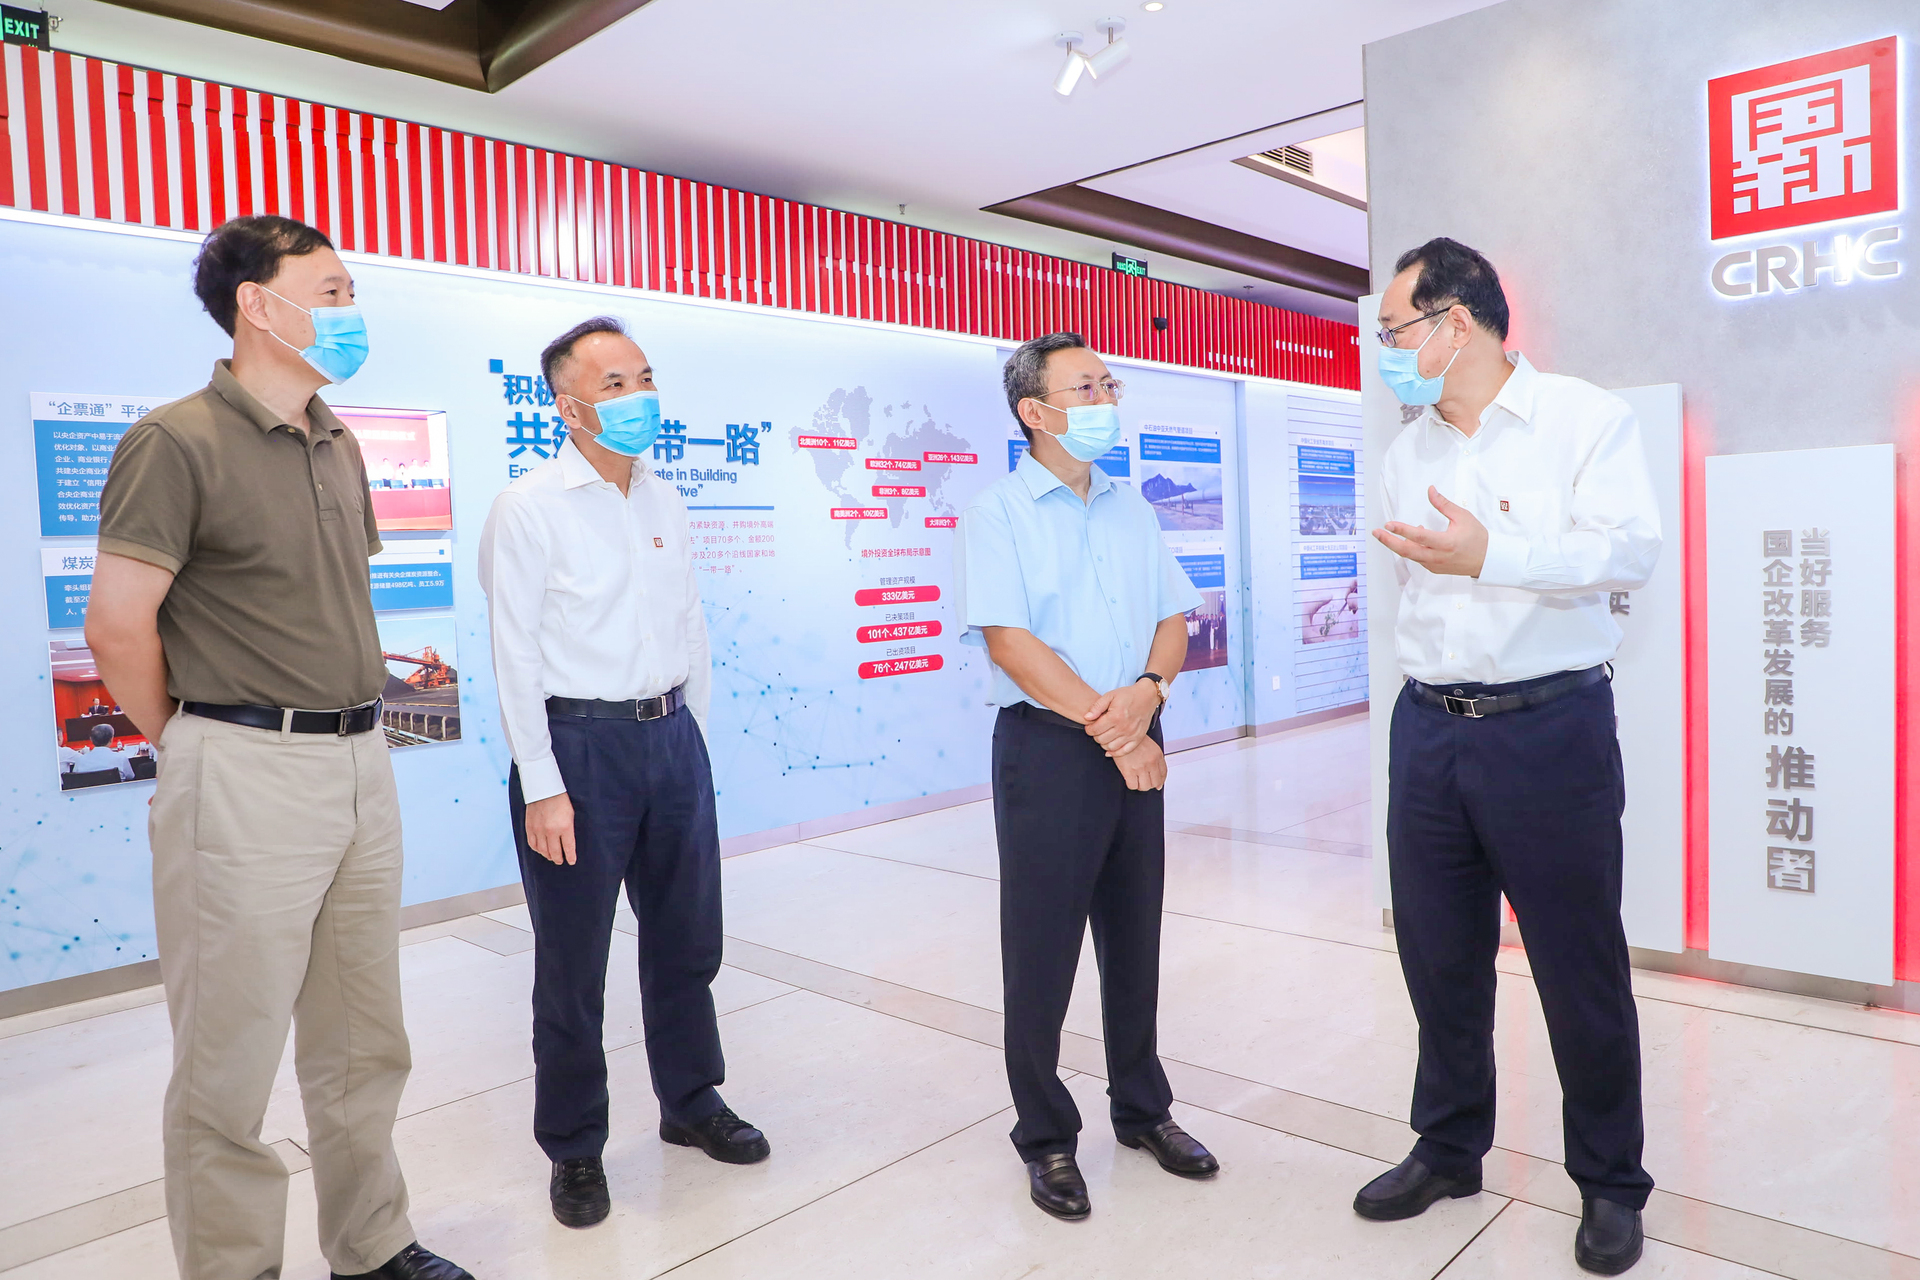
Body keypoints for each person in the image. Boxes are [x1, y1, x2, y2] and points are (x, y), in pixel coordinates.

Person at [86, 214, 472, 1280]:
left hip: (361, 759)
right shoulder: (175, 441)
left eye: (352, 294)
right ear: (258, 303)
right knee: (230, 1057)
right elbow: (116, 627)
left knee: (364, 1036)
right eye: (332, 291)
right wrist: (196, 743)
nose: (351, 311)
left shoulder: (337, 440)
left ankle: (373, 1241)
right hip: (245, 767)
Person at [1358, 238, 1660, 1276]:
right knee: (1438, 956)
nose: (1385, 351)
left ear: (1457, 321)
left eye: (1395, 330)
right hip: (1428, 728)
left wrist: (1495, 552)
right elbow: (1417, 593)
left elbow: (1629, 549)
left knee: (1578, 967)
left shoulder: (1582, 417)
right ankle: (1448, 1148)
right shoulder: (1409, 449)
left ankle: (1611, 1182)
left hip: (1549, 728)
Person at [478, 316, 767, 1232]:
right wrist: (542, 783)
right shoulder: (528, 506)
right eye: (615, 384)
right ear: (569, 407)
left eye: (644, 377)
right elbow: (513, 654)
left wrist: (695, 743)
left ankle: (691, 1100)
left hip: (670, 742)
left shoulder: (664, 498)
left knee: (686, 941)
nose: (640, 396)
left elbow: (691, 628)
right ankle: (575, 1147)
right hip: (580, 751)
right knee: (573, 964)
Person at [954, 331, 1218, 1222]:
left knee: (1134, 937)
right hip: (1050, 749)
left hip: (1134, 729)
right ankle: (1045, 1136)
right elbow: (1011, 644)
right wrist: (1117, 731)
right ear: (1034, 411)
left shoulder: (1130, 505)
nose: (1107, 399)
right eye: (1087, 387)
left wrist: (1148, 693)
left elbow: (1174, 618)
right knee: (1042, 949)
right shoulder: (998, 513)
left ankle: (1144, 1112)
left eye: (1109, 384)